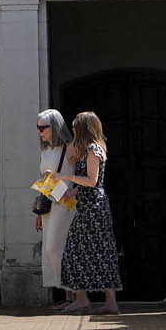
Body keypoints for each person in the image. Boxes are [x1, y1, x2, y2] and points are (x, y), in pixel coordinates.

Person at [59, 109, 121, 314]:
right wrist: (73, 191)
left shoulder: (93, 150)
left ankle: (83, 299)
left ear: (83, 129)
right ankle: (107, 302)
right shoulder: (91, 149)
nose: (73, 130)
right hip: (89, 205)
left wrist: (68, 179)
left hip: (92, 209)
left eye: (76, 127)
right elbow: (89, 182)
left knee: (77, 251)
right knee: (99, 251)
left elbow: (92, 181)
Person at [34, 108, 73, 300]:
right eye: (38, 128)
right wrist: (39, 212)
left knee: (57, 247)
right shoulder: (45, 150)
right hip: (50, 202)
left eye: (43, 128)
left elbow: (83, 175)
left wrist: (74, 190)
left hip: (66, 204)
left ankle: (73, 296)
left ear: (55, 127)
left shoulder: (70, 148)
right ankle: (68, 296)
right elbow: (43, 178)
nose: (40, 132)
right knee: (51, 250)